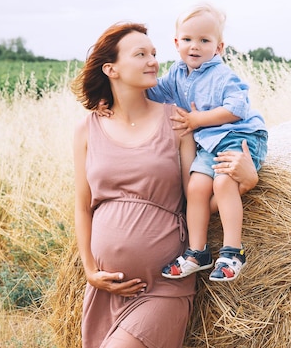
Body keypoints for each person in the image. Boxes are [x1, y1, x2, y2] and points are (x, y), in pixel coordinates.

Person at [71, 22, 259, 348]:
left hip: (162, 286)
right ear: (111, 68)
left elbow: (195, 200)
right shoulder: (87, 129)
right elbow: (83, 205)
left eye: (154, 53)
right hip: (105, 289)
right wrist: (89, 270)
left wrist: (246, 182)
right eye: (140, 54)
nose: (153, 61)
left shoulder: (176, 121)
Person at [151, 2, 268, 282]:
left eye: (204, 40)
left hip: (239, 136)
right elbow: (154, 93)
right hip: (210, 142)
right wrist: (115, 95)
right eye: (188, 39)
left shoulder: (222, 75)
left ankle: (232, 252)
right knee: (196, 187)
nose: (195, 46)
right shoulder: (177, 74)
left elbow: (237, 108)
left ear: (219, 47)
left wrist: (197, 120)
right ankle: (197, 252)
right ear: (177, 43)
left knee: (223, 182)